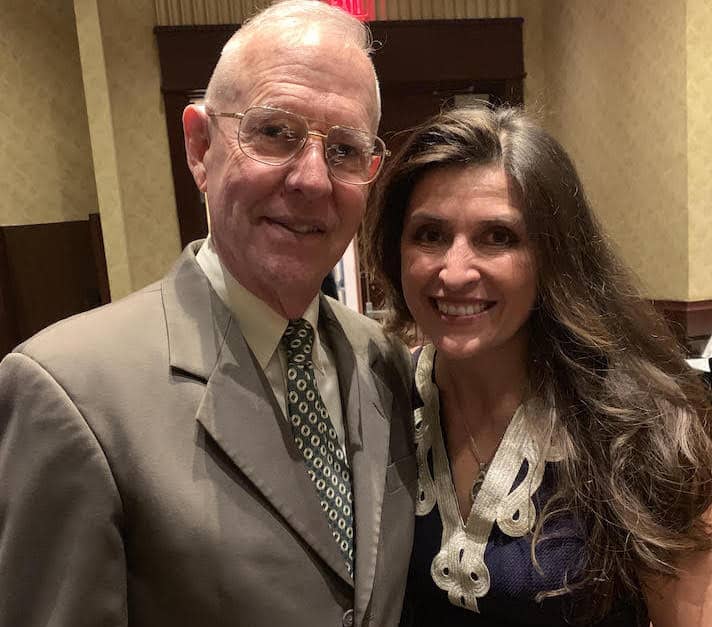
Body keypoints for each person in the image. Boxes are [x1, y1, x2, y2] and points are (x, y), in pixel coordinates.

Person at [0, 2, 416, 625]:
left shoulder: (384, 360)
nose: (310, 179)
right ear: (200, 146)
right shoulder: (68, 393)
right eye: (274, 132)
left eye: (345, 150)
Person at [364, 105, 712, 626]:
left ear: (553, 256)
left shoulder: (646, 428)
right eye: (430, 235)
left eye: (498, 237)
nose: (455, 272)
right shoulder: (378, 401)